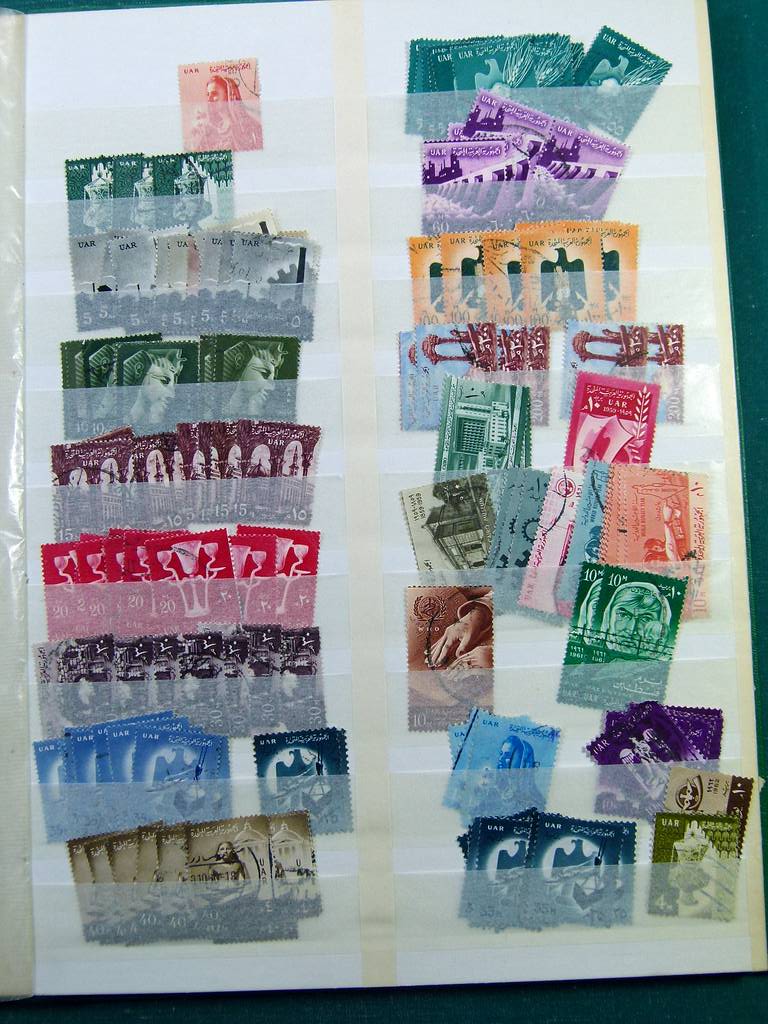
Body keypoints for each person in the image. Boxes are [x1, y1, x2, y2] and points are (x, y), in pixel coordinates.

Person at [189, 74, 263, 152]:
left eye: (214, 93)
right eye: (208, 94)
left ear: (228, 95)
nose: (209, 99)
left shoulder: (249, 126)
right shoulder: (210, 130)